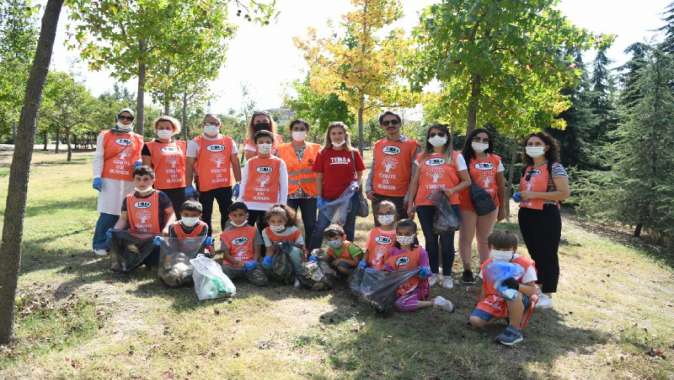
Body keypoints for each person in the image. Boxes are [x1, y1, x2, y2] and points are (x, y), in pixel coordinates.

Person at [406, 124, 471, 289]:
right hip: (424, 204)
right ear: (428, 138)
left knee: (447, 241)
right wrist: (411, 203)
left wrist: (452, 190)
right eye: (432, 134)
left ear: (447, 136)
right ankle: (433, 273)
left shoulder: (456, 156)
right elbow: (415, 182)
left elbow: (467, 181)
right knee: (430, 240)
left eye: (440, 133)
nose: (436, 136)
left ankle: (447, 275)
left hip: (448, 205)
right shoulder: (421, 157)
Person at [515, 132, 570, 309]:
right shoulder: (527, 168)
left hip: (547, 214)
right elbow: (526, 188)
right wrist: (520, 195)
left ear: (546, 147)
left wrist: (534, 195)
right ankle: (537, 287)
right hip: (526, 214)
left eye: (537, 143)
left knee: (548, 254)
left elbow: (564, 194)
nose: (532, 146)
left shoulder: (555, 167)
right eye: (529, 144)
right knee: (535, 253)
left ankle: (548, 293)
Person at [469, 230, 539, 346]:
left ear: (514, 249)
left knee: (510, 293)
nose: (501, 252)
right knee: (475, 321)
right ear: (490, 247)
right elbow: (484, 287)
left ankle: (514, 330)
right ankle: (505, 315)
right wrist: (479, 304)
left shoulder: (524, 264)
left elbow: (533, 291)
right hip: (495, 299)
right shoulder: (488, 264)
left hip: (519, 299)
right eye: (497, 249)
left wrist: (517, 285)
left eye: (506, 250)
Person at [91, 108, 144, 256]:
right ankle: (100, 244)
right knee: (108, 212)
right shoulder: (105, 135)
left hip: (129, 181)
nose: (125, 120)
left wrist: (139, 163)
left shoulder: (138, 138)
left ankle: (122, 243)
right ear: (118, 117)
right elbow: (99, 156)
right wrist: (97, 175)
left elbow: (138, 155)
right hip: (110, 179)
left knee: (127, 213)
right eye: (123, 117)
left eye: (129, 118)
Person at [458, 128, 506, 284]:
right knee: (466, 238)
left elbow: (500, 184)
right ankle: (467, 270)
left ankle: (485, 270)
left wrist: (503, 207)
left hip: (490, 204)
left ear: (489, 143)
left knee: (485, 239)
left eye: (485, 140)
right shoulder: (462, 158)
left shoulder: (496, 160)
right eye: (477, 139)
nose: (481, 142)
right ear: (470, 140)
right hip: (467, 204)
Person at [310, 122, 365, 249]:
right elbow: (318, 177)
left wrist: (357, 183)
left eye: (340, 133)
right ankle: (312, 255)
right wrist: (319, 197)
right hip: (328, 198)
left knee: (348, 229)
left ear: (345, 135)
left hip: (349, 199)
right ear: (329, 136)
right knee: (320, 228)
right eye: (333, 133)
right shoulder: (323, 153)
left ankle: (349, 255)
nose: (337, 136)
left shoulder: (353, 153)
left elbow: (360, 172)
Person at [185, 114, 241, 236]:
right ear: (203, 125)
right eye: (208, 123)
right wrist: (188, 185)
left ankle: (228, 239)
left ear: (220, 125)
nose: (212, 126)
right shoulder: (195, 142)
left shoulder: (228, 141)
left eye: (215, 123)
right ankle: (207, 242)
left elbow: (235, 162)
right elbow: (189, 165)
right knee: (205, 215)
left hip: (224, 185)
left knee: (227, 214)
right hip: (204, 187)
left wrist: (239, 182)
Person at [382, 219, 454, 313]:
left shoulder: (420, 252)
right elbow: (387, 270)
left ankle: (434, 302)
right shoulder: (392, 252)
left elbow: (427, 271)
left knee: (400, 304)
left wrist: (424, 272)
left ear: (415, 234)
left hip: (416, 288)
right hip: (397, 288)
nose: (403, 237)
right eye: (400, 234)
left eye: (407, 234)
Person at [110, 166, 176, 267]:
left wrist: (167, 228)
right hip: (134, 237)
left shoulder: (160, 196)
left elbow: (171, 214)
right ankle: (134, 253)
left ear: (153, 180)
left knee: (153, 262)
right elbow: (123, 218)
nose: (142, 183)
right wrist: (115, 231)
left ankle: (145, 257)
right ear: (134, 180)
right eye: (138, 179)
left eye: (146, 179)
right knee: (112, 235)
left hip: (155, 238)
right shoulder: (128, 198)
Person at [365, 111, 419, 224]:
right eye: (386, 123)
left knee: (403, 234)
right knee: (382, 233)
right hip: (378, 196)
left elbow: (415, 175)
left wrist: (409, 197)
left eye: (394, 122)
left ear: (400, 124)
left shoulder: (412, 145)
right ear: (382, 126)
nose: (390, 125)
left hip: (400, 197)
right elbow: (374, 167)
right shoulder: (378, 145)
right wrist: (368, 188)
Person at [277, 119, 320, 241]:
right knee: (287, 224)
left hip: (310, 194)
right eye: (296, 129)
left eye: (302, 129)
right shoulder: (281, 149)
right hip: (289, 193)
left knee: (311, 225)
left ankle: (311, 252)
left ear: (307, 131)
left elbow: (321, 171)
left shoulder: (316, 148)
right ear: (291, 131)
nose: (299, 131)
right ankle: (289, 251)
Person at [238, 130, 289, 230]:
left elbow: (284, 184)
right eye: (261, 142)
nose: (264, 144)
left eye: (268, 142)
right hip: (250, 204)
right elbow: (243, 182)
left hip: (270, 206)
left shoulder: (279, 162)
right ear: (256, 144)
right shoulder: (250, 162)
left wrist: (282, 203)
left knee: (266, 234)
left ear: (272, 144)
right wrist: (240, 199)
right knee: (247, 232)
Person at [142, 115, 187, 214]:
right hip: (160, 188)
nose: (164, 130)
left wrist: (190, 185)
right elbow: (146, 170)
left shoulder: (183, 145)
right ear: (156, 129)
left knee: (180, 218)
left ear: (173, 129)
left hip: (180, 187)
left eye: (167, 128)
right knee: (162, 217)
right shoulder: (148, 146)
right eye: (161, 128)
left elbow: (188, 166)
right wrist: (147, 188)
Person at [219, 202, 268, 286]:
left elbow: (257, 250)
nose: (238, 218)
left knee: (262, 281)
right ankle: (241, 275)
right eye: (234, 215)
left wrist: (254, 262)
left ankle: (248, 274)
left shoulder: (253, 230)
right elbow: (226, 255)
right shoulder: (226, 233)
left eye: (241, 215)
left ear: (247, 215)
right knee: (223, 271)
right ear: (230, 217)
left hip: (251, 264)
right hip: (232, 265)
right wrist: (236, 262)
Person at [260, 204, 305, 287]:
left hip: (293, 256)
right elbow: (269, 249)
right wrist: (267, 259)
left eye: (280, 221)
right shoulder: (265, 231)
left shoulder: (294, 230)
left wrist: (289, 244)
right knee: (264, 265)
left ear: (286, 220)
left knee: (294, 251)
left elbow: (301, 247)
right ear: (268, 221)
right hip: (278, 255)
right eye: (272, 221)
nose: (276, 224)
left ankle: (299, 276)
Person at [359, 200, 397, 271]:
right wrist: (363, 261)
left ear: (395, 215)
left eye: (388, 213)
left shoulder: (399, 234)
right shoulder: (374, 231)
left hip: (388, 271)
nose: (384, 216)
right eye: (381, 214)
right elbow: (368, 250)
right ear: (376, 216)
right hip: (371, 268)